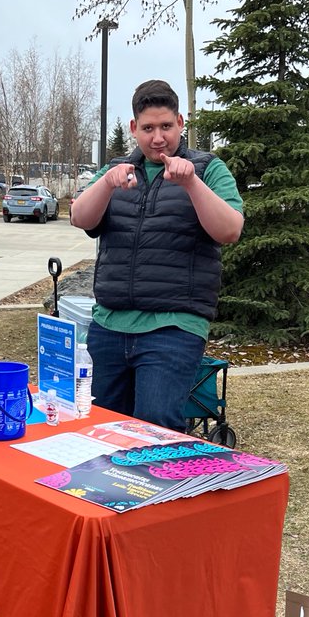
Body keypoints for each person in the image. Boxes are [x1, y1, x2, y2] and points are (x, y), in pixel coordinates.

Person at [69, 79, 244, 432]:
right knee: (98, 426)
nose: (158, 137)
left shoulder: (208, 169)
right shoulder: (116, 171)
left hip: (174, 326)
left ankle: (162, 487)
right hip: (109, 325)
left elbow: (229, 230)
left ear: (181, 122)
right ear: (134, 128)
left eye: (166, 126)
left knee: (155, 428)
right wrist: (105, 183)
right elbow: (80, 217)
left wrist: (192, 183)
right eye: (148, 128)